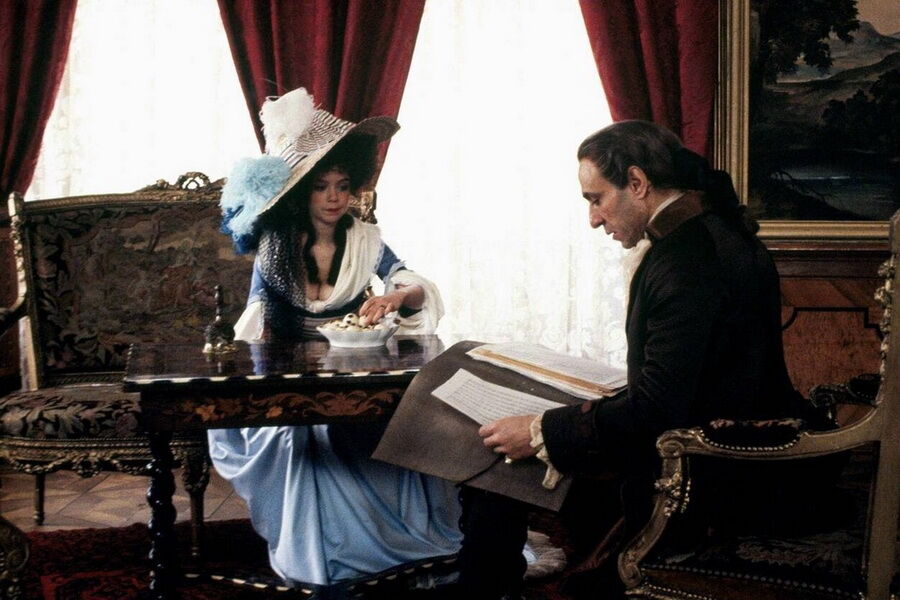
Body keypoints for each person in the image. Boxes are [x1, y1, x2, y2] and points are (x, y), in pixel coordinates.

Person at [456, 120, 805, 600]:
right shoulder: (713, 234)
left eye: (596, 199)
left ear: (637, 183)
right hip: (718, 449)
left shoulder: (686, 259)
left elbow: (658, 408)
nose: (593, 219)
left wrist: (542, 429)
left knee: (496, 461)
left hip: (707, 474)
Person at [207, 88, 461, 590]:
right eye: (321, 186)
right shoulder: (276, 246)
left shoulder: (366, 239)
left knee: (382, 422)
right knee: (302, 431)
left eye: (343, 186)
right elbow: (256, 318)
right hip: (287, 371)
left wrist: (395, 297)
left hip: (355, 368)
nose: (333, 198)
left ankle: (387, 543)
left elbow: (411, 285)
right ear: (301, 191)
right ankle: (320, 550)